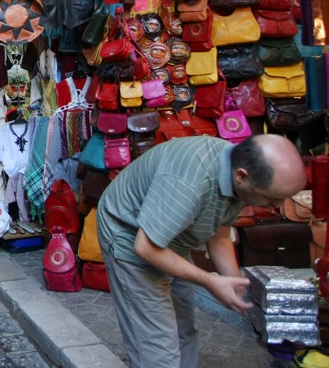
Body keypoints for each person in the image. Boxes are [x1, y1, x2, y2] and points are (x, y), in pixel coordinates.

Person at [97, 135, 307, 367]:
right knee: (158, 348)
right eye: (272, 199)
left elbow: (220, 234)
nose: (276, 207)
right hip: (130, 234)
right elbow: (146, 247)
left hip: (168, 236)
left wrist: (233, 284)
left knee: (182, 331)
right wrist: (210, 281)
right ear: (242, 176)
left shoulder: (237, 171)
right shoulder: (191, 180)